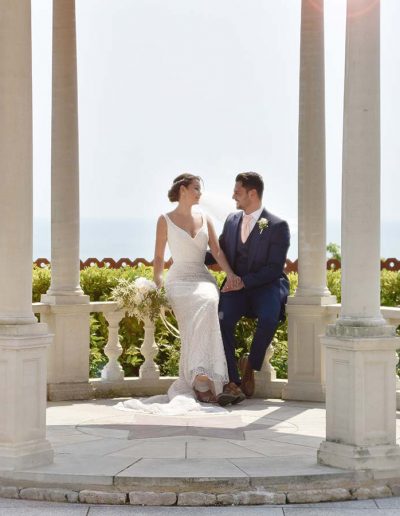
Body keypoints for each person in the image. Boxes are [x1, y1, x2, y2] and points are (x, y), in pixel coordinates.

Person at [117, 173, 242, 414]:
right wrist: (156, 283)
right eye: (196, 188)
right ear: (183, 189)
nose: (199, 193)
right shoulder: (165, 219)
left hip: (203, 278)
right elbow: (159, 256)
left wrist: (232, 275)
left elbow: (216, 250)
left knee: (207, 302)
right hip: (179, 281)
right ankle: (202, 381)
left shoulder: (205, 218)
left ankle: (204, 380)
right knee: (194, 322)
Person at [207, 172, 290, 401]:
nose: (233, 195)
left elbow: (274, 268)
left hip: (265, 285)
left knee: (269, 317)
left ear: (252, 193)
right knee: (222, 319)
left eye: (238, 191)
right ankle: (233, 380)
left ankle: (250, 366)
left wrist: (243, 281)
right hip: (236, 288)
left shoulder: (277, 225)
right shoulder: (231, 220)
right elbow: (219, 252)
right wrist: (190, 254)